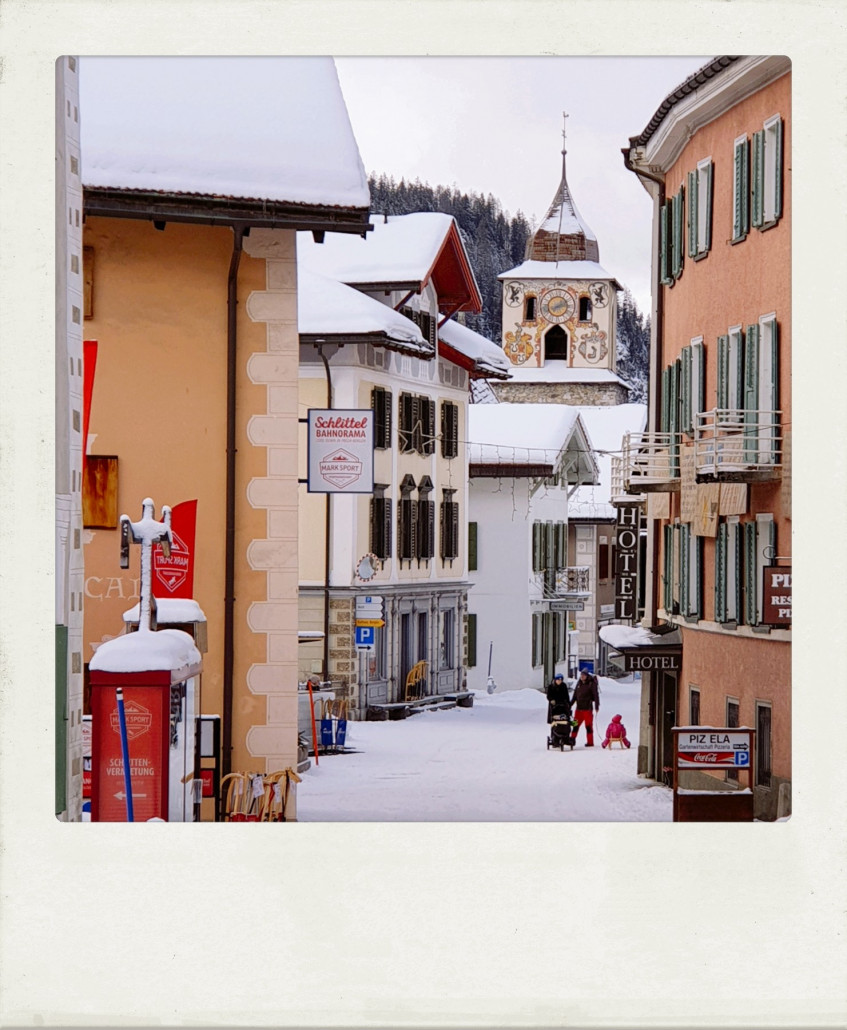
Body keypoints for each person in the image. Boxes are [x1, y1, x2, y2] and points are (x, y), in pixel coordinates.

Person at [571, 669, 600, 746]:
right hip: (578, 709)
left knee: (588, 727)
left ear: (587, 676)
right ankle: (572, 740)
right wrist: (570, 705)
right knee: (574, 725)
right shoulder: (579, 683)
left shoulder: (591, 684)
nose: (582, 677)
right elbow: (575, 696)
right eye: (581, 675)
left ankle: (590, 742)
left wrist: (597, 706)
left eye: (583, 675)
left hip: (587, 709)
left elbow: (596, 695)